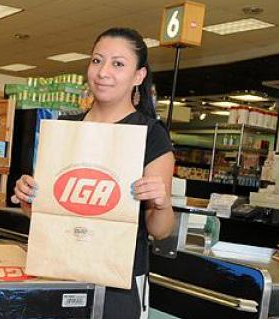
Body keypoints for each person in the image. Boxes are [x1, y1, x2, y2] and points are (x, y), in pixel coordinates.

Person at [12, 27, 175, 319]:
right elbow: (44, 213)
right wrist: (27, 197)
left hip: (119, 284)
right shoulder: (65, 129)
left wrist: (161, 203)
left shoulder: (151, 135)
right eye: (97, 61)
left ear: (138, 76)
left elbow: (160, 230)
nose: (103, 72)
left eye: (118, 64)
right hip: (59, 273)